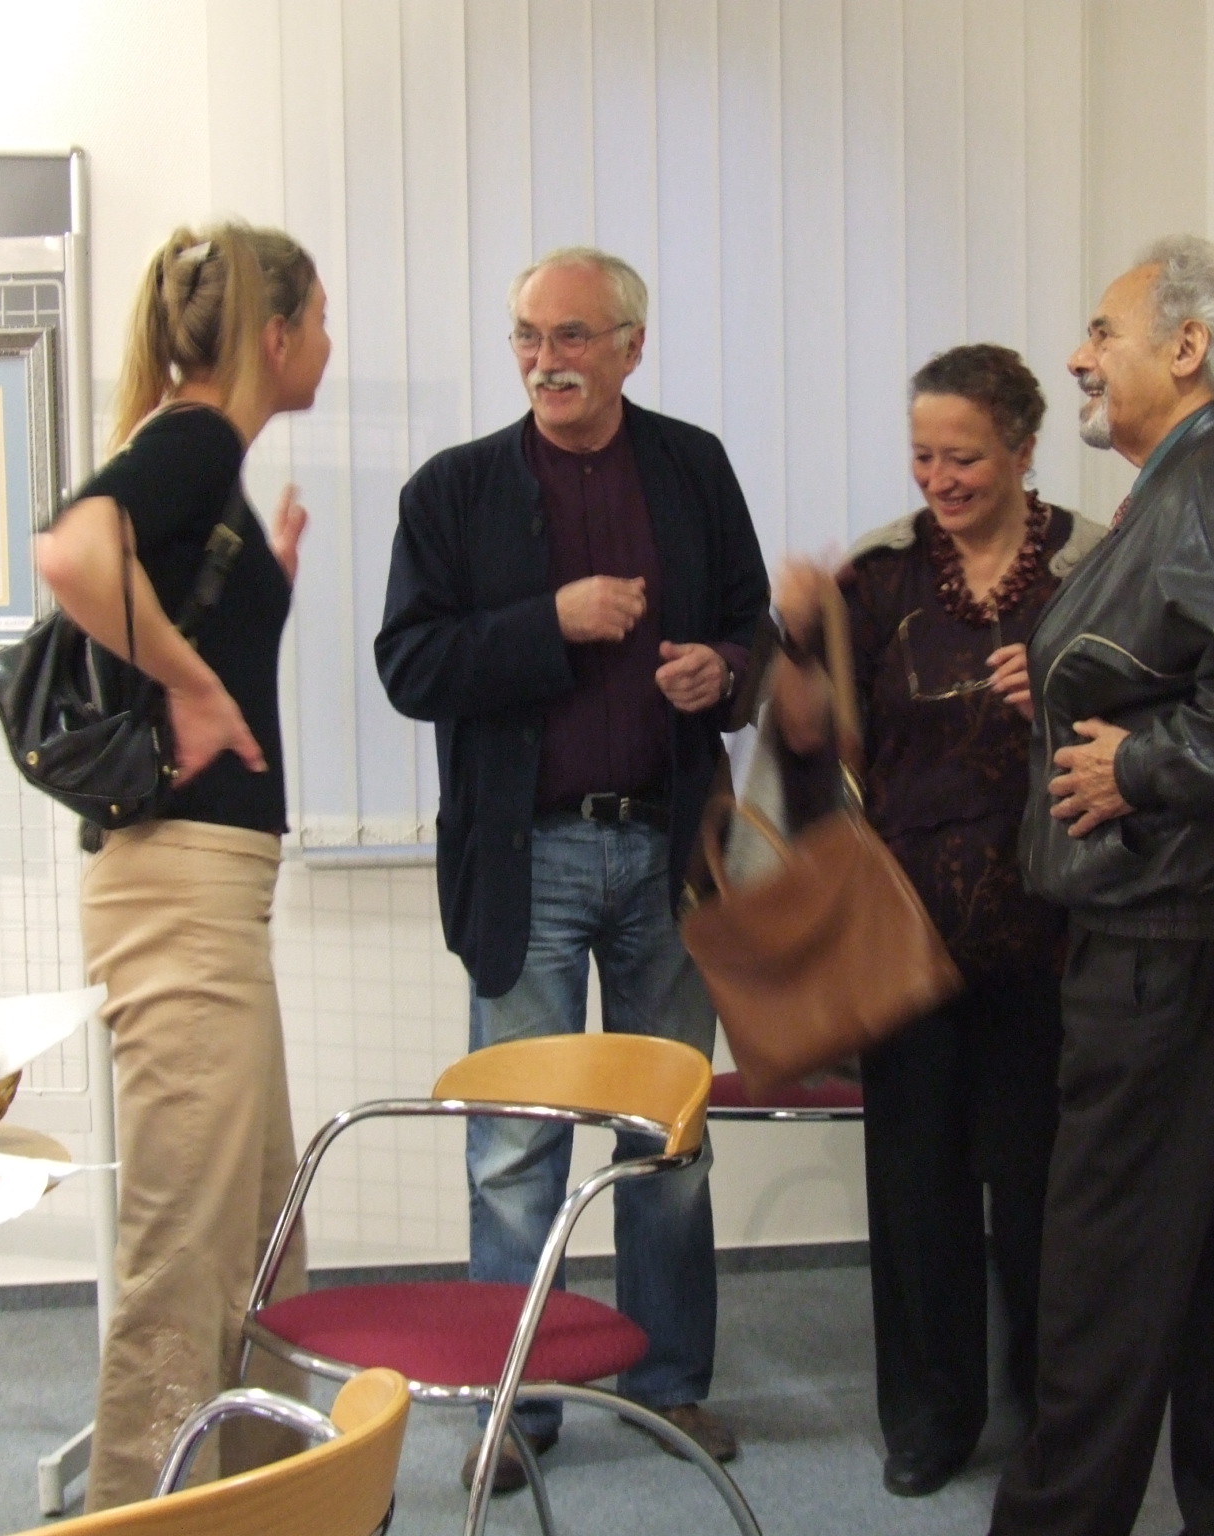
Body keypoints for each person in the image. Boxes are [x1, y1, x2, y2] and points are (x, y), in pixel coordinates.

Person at [374, 247, 769, 1492]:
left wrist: (724, 672)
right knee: (514, 1147)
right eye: (528, 338)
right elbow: (409, 666)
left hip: (668, 851)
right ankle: (517, 1406)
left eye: (573, 337)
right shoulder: (453, 491)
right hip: (526, 858)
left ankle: (668, 1383)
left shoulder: (693, 467)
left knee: (666, 1140)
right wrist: (548, 621)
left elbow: (754, 628)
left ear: (631, 347)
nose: (546, 361)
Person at [993, 236, 1214, 1536]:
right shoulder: (1213, 475)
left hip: (1173, 946)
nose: (1079, 357)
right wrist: (1084, 697)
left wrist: (1140, 765)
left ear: (1187, 348)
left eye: (1105, 331)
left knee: (1100, 1277)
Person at [769, 344, 1102, 1498]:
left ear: (1021, 448)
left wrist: (1057, 695)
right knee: (915, 1193)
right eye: (922, 455)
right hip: (904, 937)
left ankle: (1055, 1416)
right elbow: (811, 747)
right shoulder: (877, 576)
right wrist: (794, 647)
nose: (938, 478)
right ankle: (928, 1421)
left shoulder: (1092, 567)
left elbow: (1145, 718)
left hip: (1053, 934)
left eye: (963, 456)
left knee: (1045, 1192)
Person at [34, 222, 331, 1510]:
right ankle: (140, 1513)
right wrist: (196, 682)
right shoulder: (196, 439)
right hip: (180, 893)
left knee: (259, 1231)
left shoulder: (201, 458)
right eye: (320, 321)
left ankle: (263, 1503)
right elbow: (68, 553)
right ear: (275, 335)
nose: (328, 344)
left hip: (205, 890)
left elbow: (134, 584)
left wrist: (254, 595)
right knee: (186, 1248)